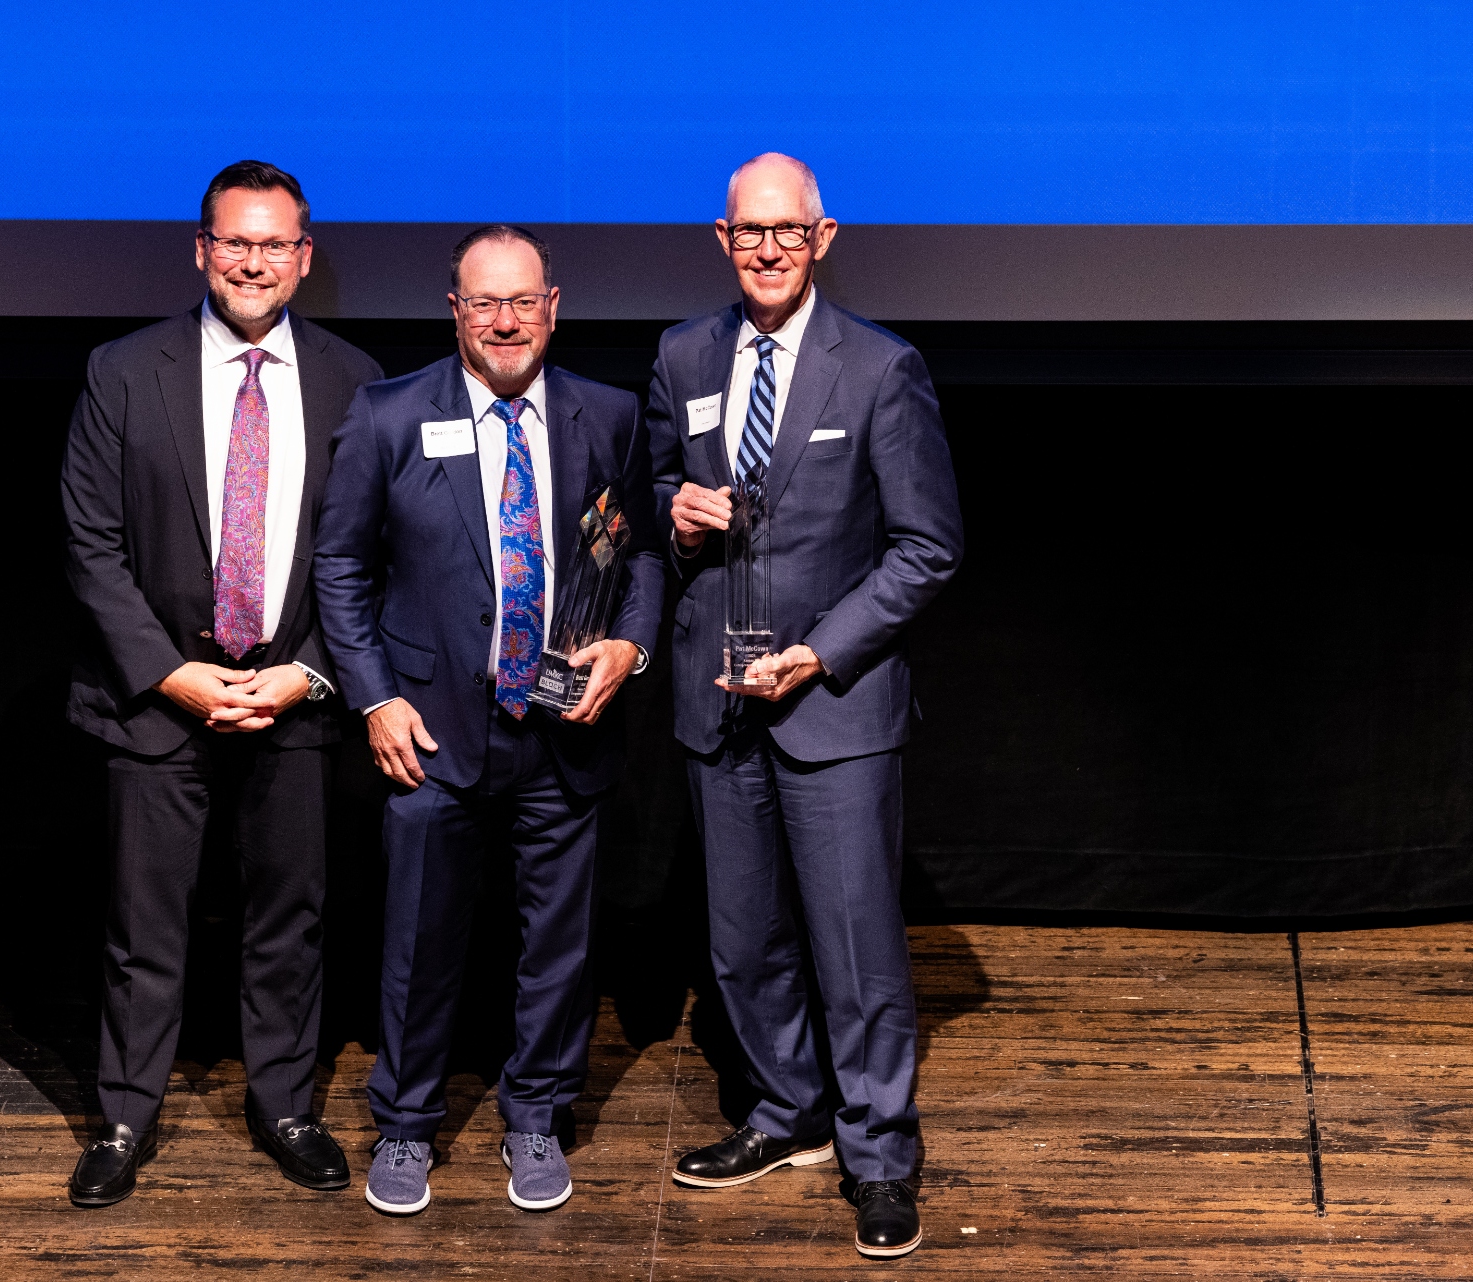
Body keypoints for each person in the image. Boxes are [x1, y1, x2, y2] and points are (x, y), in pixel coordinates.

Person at [647, 153, 964, 1259]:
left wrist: (820, 653)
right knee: (739, 945)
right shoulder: (682, 355)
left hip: (831, 704)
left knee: (855, 947)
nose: (769, 249)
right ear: (720, 238)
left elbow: (928, 548)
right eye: (749, 232)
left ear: (822, 239)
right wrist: (674, 512)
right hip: (712, 700)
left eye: (789, 231)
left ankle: (878, 1151)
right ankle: (786, 1114)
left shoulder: (880, 369)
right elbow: (652, 494)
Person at [313, 225, 664, 1216]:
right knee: (420, 942)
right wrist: (375, 696)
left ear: (552, 306)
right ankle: (407, 1124)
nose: (504, 322)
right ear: (453, 311)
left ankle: (537, 1113)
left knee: (558, 943)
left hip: (566, 725)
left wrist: (629, 650)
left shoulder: (608, 414)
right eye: (483, 304)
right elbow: (339, 567)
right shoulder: (386, 416)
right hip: (429, 735)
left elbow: (636, 557)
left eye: (523, 302)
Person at [59, 160, 382, 1208]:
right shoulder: (122, 370)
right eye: (234, 242)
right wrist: (169, 673)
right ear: (201, 249)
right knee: (140, 924)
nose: (253, 261)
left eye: (274, 244)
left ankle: (285, 1103)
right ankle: (121, 1113)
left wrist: (310, 673)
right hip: (157, 701)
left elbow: (373, 554)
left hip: (292, 695)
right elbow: (90, 546)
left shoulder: (354, 380)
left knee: (288, 916)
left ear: (303, 257)